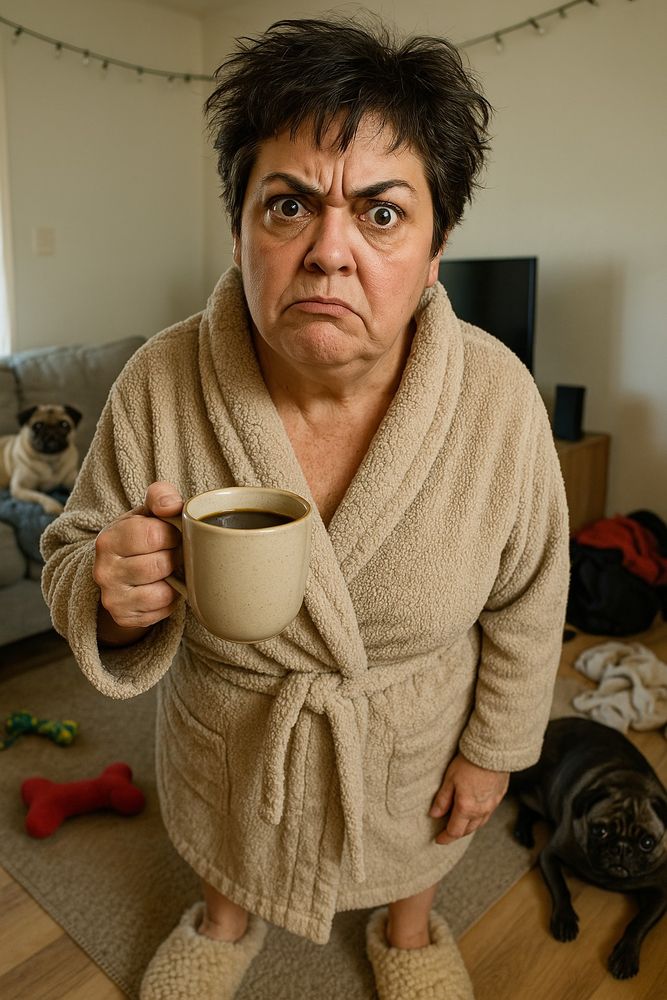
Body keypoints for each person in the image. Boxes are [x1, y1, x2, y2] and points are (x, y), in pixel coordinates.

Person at [41, 15, 569, 1000]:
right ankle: (223, 916)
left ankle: (409, 931)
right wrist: (111, 590)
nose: (330, 252)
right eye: (287, 204)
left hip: (409, 725)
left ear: (437, 242)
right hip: (232, 733)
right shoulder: (164, 379)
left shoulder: (499, 400)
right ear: (239, 225)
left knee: (418, 851)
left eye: (379, 213)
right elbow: (76, 544)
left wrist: (494, 752)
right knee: (226, 839)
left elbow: (532, 596)